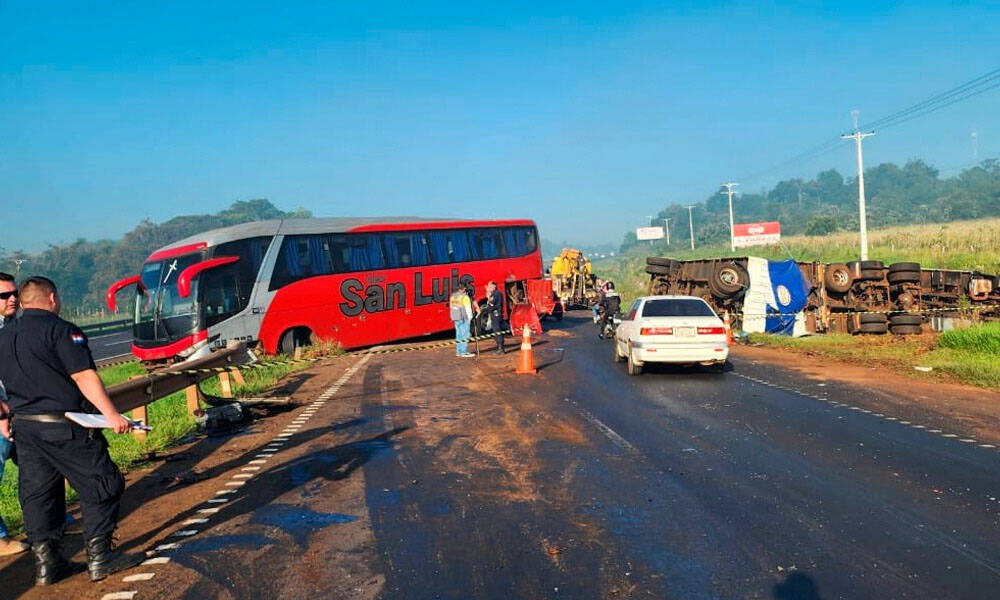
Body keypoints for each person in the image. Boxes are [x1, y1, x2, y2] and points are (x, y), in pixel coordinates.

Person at [0, 276, 133, 585]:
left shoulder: (4, 337)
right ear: (52, 299)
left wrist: (4, 415)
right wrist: (111, 414)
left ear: (22, 300)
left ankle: (48, 564)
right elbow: (84, 376)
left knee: (39, 495)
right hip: (65, 426)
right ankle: (101, 558)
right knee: (104, 483)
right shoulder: (61, 330)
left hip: (26, 430)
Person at [0, 271, 29, 556]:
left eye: (14, 294)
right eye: (4, 295)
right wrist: (2, 417)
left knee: (37, 467)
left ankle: (47, 519)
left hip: (19, 410)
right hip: (3, 414)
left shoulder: (11, 325)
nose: (12, 299)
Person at [478, 281, 506, 354]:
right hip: (496, 314)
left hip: (495, 314)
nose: (488, 288)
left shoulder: (495, 294)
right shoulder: (496, 293)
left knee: (497, 330)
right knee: (496, 330)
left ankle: (501, 349)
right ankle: (500, 347)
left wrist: (488, 296)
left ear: (493, 287)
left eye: (489, 286)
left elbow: (491, 305)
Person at [449, 282, 475, 358]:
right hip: (464, 318)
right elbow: (468, 309)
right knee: (465, 335)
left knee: (458, 335)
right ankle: (464, 352)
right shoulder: (465, 297)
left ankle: (459, 351)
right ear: (464, 289)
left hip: (456, 317)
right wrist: (470, 318)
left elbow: (451, 306)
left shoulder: (453, 296)